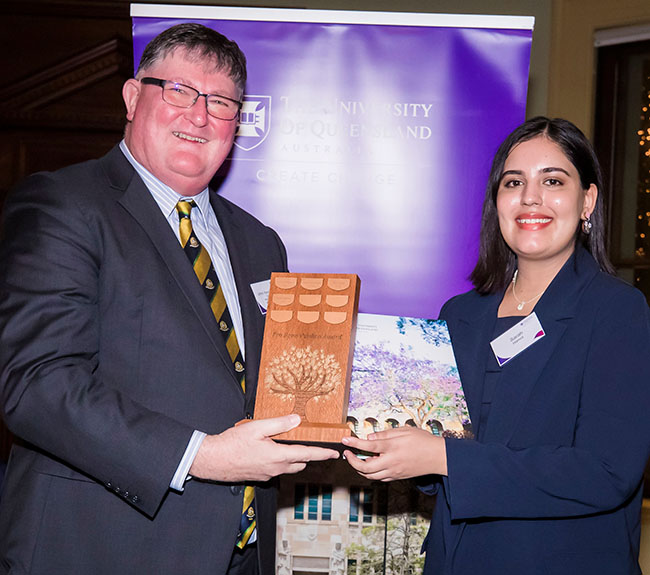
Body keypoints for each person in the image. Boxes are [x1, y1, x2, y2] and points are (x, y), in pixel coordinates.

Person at [0, 23, 338, 575]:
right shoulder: (63, 205)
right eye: (178, 91)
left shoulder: (261, 243)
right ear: (133, 98)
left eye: (222, 102)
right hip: (99, 549)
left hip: (241, 555)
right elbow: (37, 383)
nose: (199, 115)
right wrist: (201, 457)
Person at [342, 117, 650, 574]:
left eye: (552, 180)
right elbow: (447, 454)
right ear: (497, 202)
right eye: (513, 182)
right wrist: (398, 452)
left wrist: (443, 457)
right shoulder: (459, 315)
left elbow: (606, 472)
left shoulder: (617, 310)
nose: (531, 197)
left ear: (587, 200)